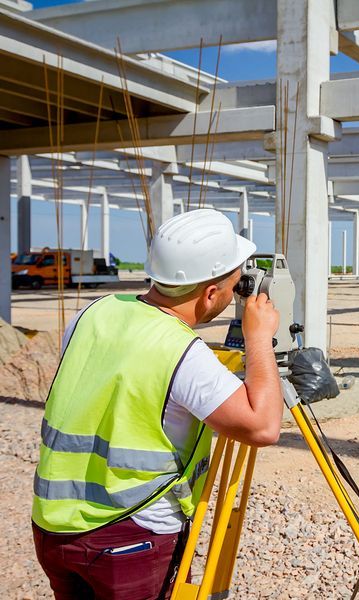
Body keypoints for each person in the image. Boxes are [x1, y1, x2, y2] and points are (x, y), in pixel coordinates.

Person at [32, 209, 284, 599]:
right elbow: (263, 426)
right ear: (211, 293)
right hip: (127, 536)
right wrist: (259, 338)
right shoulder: (182, 351)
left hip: (53, 526)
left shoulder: (93, 313)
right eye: (234, 283)